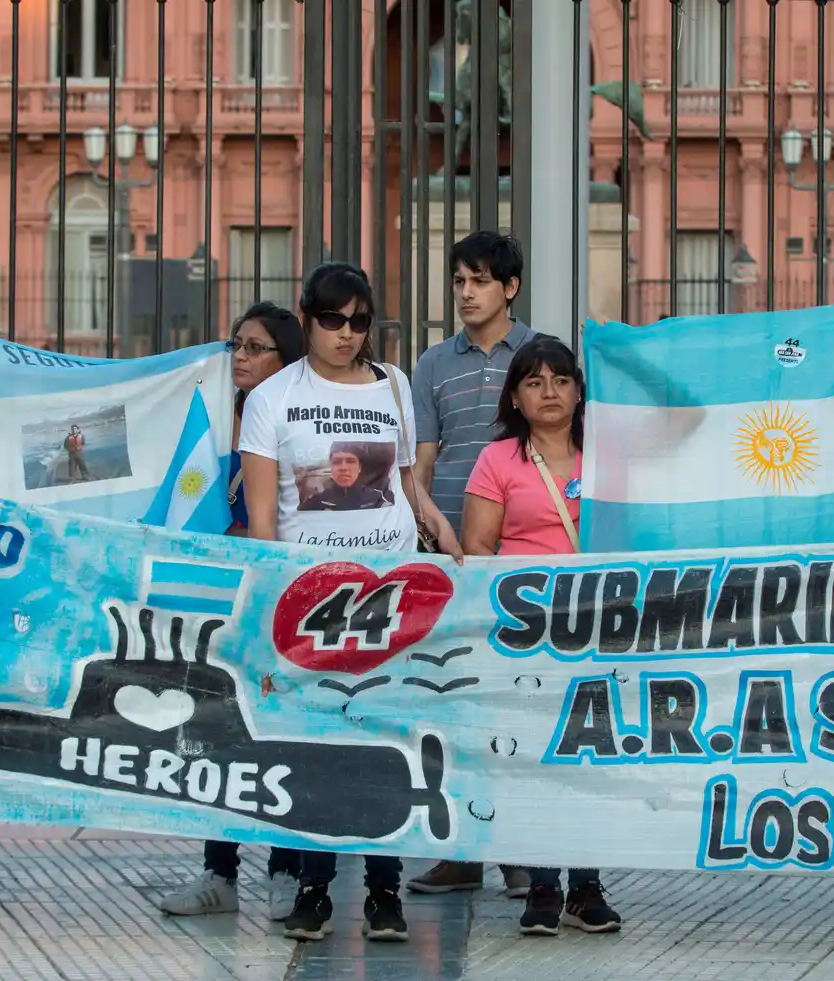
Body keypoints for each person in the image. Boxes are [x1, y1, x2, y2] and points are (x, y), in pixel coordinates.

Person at [239, 262, 461, 943]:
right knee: (319, 743)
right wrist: (275, 593)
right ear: (306, 317)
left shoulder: (393, 384)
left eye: (359, 320)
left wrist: (438, 523)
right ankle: (313, 886)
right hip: (311, 595)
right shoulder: (271, 400)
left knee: (384, 733)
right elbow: (262, 517)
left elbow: (401, 480)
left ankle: (385, 888)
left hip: (390, 587)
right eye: (332, 319)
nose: (345, 333)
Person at [461, 336, 622, 937]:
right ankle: (543, 884)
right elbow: (478, 548)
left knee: (591, 758)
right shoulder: (498, 459)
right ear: (516, 397)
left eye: (560, 379)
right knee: (534, 756)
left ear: (580, 391)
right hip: (527, 634)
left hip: (602, 630)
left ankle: (586, 886)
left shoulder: (612, 453)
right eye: (534, 381)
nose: (549, 391)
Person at [159, 301, 307, 922]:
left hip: (283, 601)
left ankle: (287, 870)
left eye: (255, 347)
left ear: (287, 358)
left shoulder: (300, 421)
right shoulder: (215, 422)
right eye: (237, 346)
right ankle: (218, 872)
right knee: (216, 731)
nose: (239, 358)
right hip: (219, 606)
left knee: (281, 732)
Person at [407, 231, 534, 899]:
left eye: (479, 280)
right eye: (459, 279)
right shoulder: (431, 364)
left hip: (517, 558)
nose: (465, 291)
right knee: (453, 701)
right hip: (451, 556)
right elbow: (421, 463)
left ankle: (516, 848)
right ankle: (461, 849)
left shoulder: (536, 356)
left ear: (509, 287)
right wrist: (430, 520)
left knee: (512, 704)